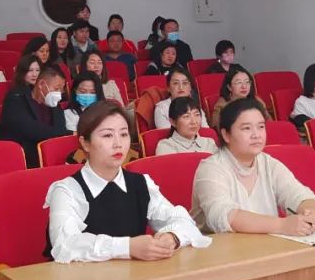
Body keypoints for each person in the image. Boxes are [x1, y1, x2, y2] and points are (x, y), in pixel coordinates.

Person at [44, 101, 210, 262]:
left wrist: (172, 237)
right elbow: (64, 244)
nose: (118, 144)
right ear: (85, 143)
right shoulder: (67, 190)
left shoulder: (141, 183)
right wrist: (127, 247)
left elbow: (183, 221)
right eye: (107, 135)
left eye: (124, 134)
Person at [190, 98, 315, 235]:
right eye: (246, 128)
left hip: (267, 244)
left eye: (261, 127)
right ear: (226, 135)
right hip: (221, 247)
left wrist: (310, 212)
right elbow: (223, 217)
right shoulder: (210, 168)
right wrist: (282, 225)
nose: (256, 135)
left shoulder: (269, 163)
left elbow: (300, 195)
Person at [0, 66, 70, 168]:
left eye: (61, 90)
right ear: (41, 84)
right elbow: (29, 128)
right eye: (56, 88)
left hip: (48, 158)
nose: (59, 94)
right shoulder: (15, 98)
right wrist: (67, 134)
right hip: (18, 157)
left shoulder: (54, 104)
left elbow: (60, 130)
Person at [210, 64, 254, 130]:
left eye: (247, 82)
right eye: (239, 82)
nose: (244, 86)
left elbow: (268, 123)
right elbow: (217, 129)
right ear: (229, 87)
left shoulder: (256, 100)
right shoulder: (222, 105)